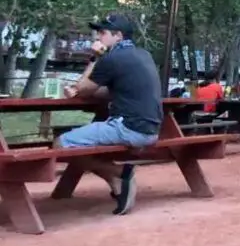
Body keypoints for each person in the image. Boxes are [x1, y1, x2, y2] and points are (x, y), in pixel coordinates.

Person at [55, 13, 162, 216]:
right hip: (152, 128)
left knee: (60, 145)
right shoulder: (143, 55)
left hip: (128, 127)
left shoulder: (111, 58)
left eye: (102, 33)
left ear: (118, 36)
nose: (98, 37)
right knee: (85, 145)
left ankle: (121, 173)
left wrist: (95, 57)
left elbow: (84, 88)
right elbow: (111, 90)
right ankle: (116, 182)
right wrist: (84, 89)